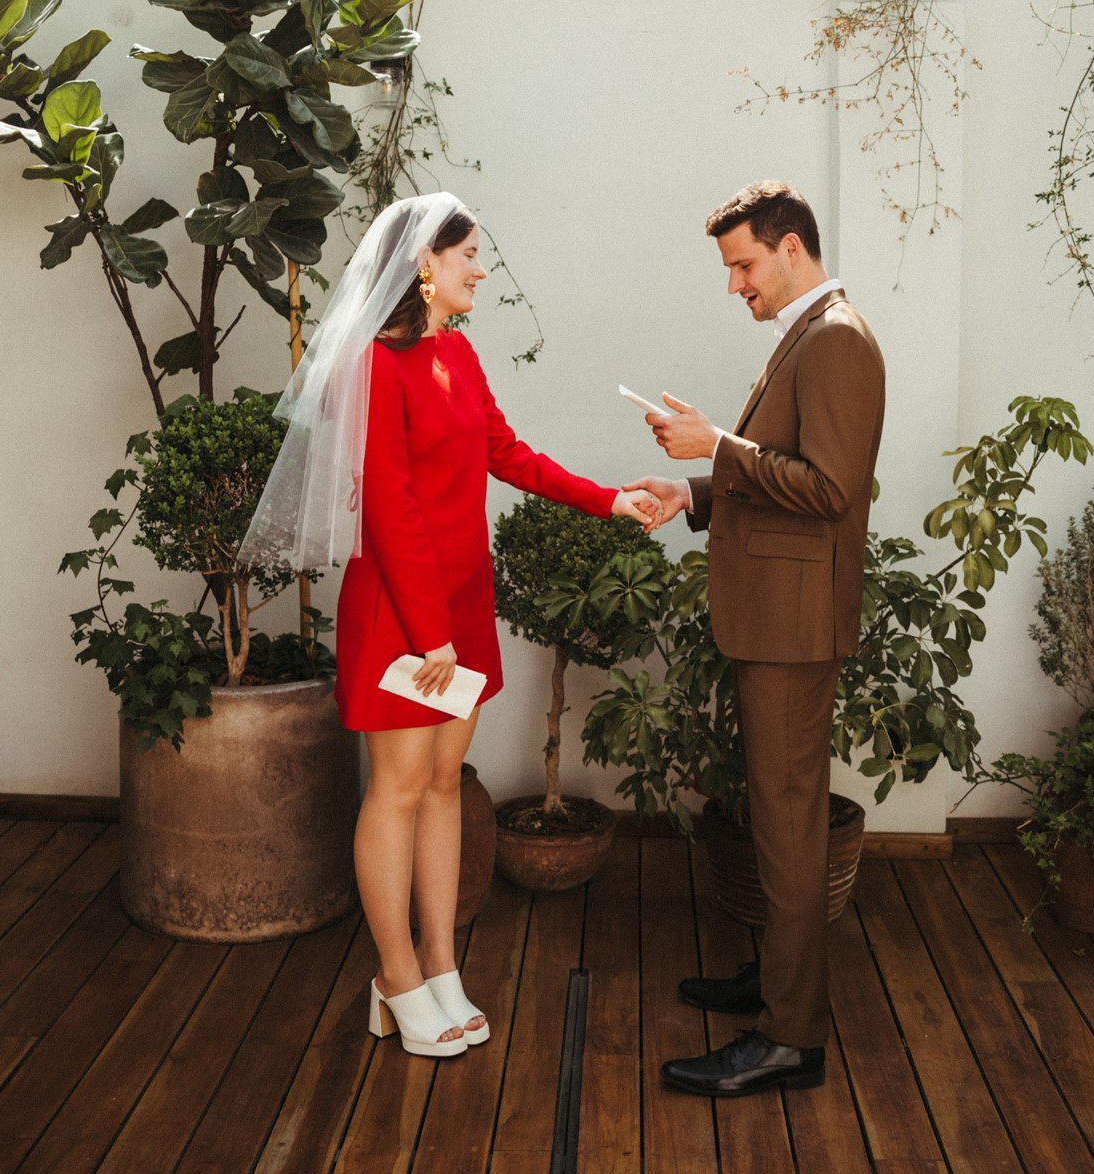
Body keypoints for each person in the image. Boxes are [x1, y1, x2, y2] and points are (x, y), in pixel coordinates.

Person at [239, 190, 658, 1061]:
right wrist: (428, 634)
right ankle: (392, 976)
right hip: (401, 612)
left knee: (440, 784)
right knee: (395, 788)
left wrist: (609, 501)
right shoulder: (372, 366)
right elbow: (389, 510)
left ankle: (439, 964)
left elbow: (506, 454)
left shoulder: (458, 357)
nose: (479, 269)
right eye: (468, 254)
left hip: (462, 606)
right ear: (423, 265)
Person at [627, 180, 884, 1098]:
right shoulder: (809, 336)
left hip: (792, 627)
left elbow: (831, 490)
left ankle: (790, 1036)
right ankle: (777, 985)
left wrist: (717, 451)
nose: (734, 284)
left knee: (784, 820)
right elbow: (789, 476)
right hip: (772, 619)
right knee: (775, 814)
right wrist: (690, 492)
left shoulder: (838, 340)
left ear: (789, 248)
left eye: (741, 264)